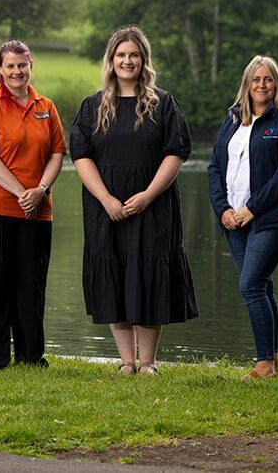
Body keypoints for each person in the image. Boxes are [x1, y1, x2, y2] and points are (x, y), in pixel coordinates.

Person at [70, 25, 198, 376]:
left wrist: (147, 195)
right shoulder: (93, 107)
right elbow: (81, 156)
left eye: (134, 55)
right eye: (121, 55)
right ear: (111, 61)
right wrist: (106, 198)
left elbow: (176, 153)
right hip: (106, 208)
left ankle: (148, 362)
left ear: (144, 61)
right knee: (114, 276)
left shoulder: (164, 104)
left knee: (148, 275)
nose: (127, 61)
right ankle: (126, 361)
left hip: (153, 207)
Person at [0, 40, 66, 368]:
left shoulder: (46, 106)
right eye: (9, 66)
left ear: (31, 65)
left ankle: (30, 356)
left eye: (21, 65)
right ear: (0, 69)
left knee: (30, 286)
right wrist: (20, 192)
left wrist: (39, 190)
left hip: (38, 211)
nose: (16, 71)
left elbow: (57, 154)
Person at [208, 56, 278, 379]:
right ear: (247, 84)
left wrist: (252, 208)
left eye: (268, 79)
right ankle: (273, 363)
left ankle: (263, 363)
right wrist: (222, 209)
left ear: (276, 84)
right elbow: (214, 167)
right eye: (256, 79)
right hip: (233, 221)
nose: (261, 85)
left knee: (250, 285)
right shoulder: (233, 119)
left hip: (271, 219)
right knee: (262, 287)